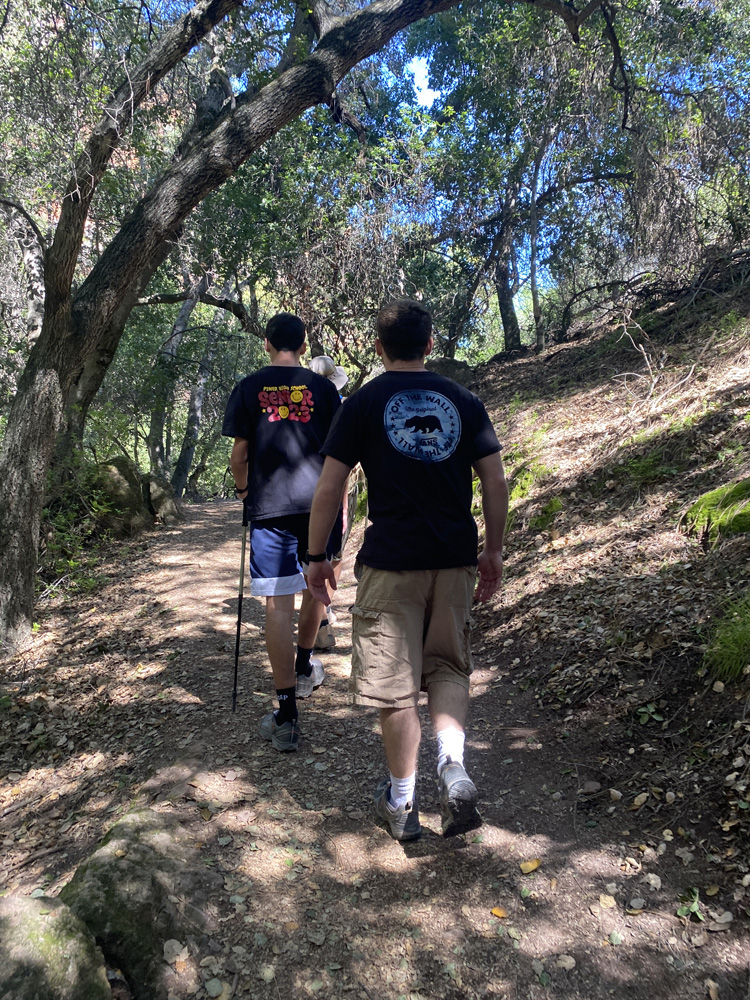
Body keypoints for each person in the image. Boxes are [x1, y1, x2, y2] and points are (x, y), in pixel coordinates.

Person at [306, 299, 508, 840]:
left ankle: (401, 804)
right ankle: (451, 764)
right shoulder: (463, 400)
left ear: (378, 347)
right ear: (430, 345)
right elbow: (494, 479)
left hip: (392, 561)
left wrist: (318, 556)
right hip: (455, 557)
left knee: (394, 687)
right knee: (447, 666)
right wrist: (493, 549)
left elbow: (329, 487)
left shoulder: (363, 402)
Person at [222, 313, 341, 753]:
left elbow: (239, 456)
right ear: (304, 346)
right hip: (319, 507)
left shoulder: (248, 387)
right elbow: (340, 455)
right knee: (317, 588)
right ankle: (305, 666)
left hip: (270, 507)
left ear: (267, 343)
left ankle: (287, 715)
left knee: (277, 604)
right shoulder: (324, 390)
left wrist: (244, 492)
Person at [308, 355, 351, 651]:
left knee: (312, 554)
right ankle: (323, 616)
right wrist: (344, 502)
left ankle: (322, 613)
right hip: (334, 487)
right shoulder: (341, 407)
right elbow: (343, 461)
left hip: (304, 488)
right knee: (334, 552)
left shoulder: (300, 409)